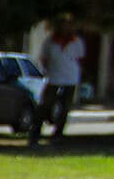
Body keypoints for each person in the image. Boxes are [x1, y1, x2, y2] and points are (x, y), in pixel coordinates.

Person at [32, 16, 86, 145]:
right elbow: (44, 58)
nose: (65, 28)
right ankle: (35, 132)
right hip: (54, 77)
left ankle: (58, 134)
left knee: (65, 107)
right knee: (46, 104)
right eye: (63, 25)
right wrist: (47, 71)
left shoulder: (76, 41)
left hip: (70, 79)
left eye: (68, 25)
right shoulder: (50, 41)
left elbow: (80, 59)